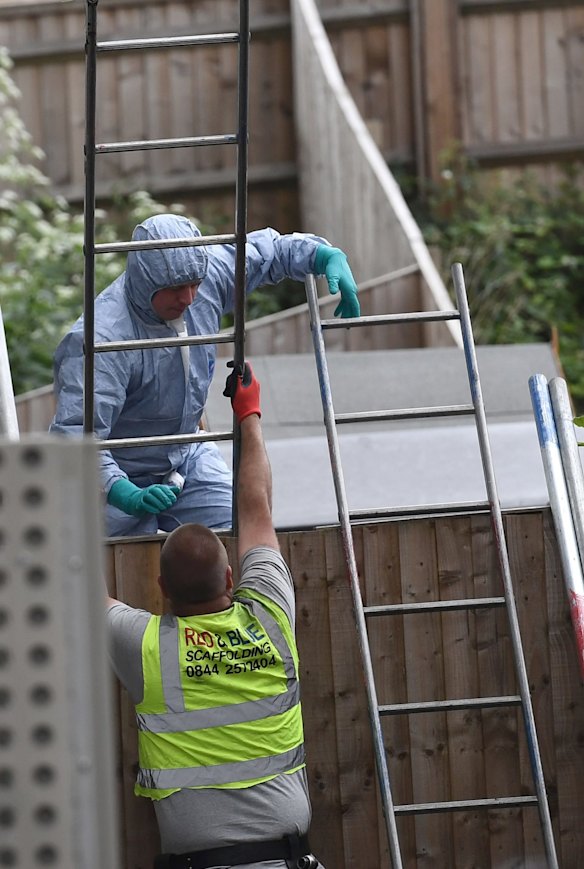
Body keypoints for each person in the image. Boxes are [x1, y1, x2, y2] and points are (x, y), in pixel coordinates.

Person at [106, 361, 324, 869]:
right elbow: (256, 510)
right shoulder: (270, 617)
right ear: (231, 580)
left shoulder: (146, 647)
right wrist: (247, 414)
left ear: (160, 590)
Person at [50, 213, 359, 538]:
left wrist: (323, 255)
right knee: (113, 569)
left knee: (241, 533)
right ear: (144, 280)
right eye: (174, 289)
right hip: (118, 476)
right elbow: (76, 435)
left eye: (194, 284)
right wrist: (119, 490)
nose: (189, 298)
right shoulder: (101, 341)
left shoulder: (206, 277)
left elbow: (271, 252)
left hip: (186, 457)